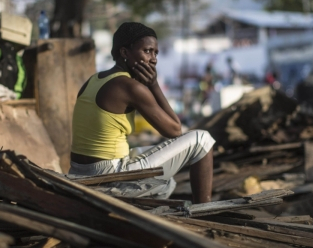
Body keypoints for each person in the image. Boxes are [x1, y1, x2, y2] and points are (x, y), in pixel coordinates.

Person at [70, 22, 214, 203]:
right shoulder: (130, 86)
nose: (153, 59)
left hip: (78, 172)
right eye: (147, 51)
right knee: (202, 140)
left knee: (163, 182)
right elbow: (175, 130)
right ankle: (204, 210)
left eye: (156, 53)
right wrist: (153, 85)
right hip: (108, 175)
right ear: (124, 53)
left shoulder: (94, 80)